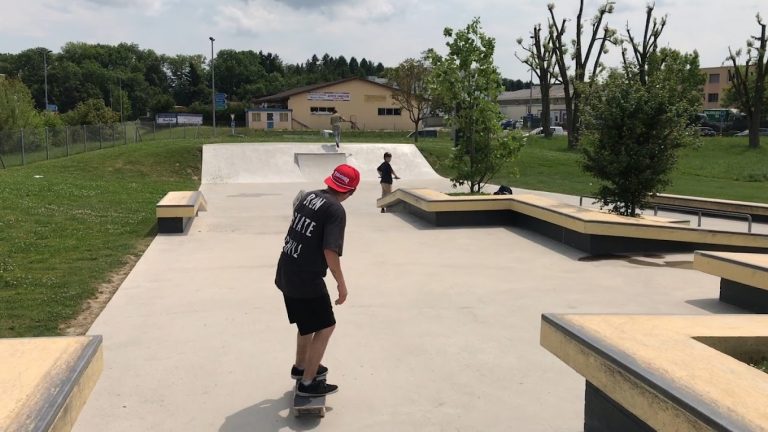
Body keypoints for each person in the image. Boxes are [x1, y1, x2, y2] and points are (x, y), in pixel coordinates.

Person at [275, 163, 360, 397]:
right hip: (305, 278)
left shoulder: (309, 196)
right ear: (351, 191)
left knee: (307, 323)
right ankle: (308, 383)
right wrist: (341, 284)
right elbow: (330, 251)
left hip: (286, 269)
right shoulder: (335, 211)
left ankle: (301, 366)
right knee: (326, 325)